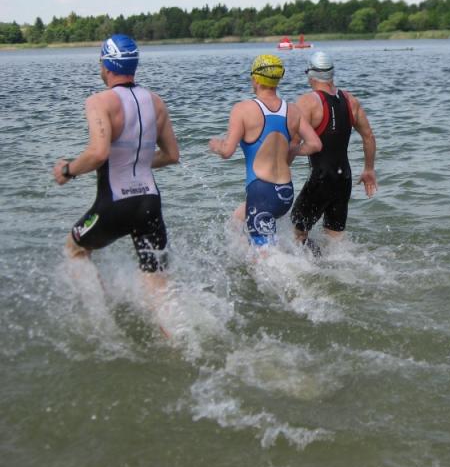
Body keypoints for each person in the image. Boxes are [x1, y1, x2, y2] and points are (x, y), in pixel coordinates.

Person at [52, 34, 180, 313]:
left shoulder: (99, 101)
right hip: (149, 203)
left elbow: (98, 153)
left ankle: (104, 318)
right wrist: (137, 160)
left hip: (115, 203)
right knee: (157, 284)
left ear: (107, 65)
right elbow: (172, 155)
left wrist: (67, 170)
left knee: (75, 249)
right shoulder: (156, 102)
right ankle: (179, 333)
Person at [208, 54, 321, 247]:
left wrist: (216, 146)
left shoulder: (242, 109)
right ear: (278, 78)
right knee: (235, 222)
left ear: (255, 79)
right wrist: (292, 150)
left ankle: (276, 263)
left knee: (264, 257)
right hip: (285, 194)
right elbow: (315, 144)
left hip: (262, 193)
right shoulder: (293, 110)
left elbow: (227, 152)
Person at [291, 51, 377, 249]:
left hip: (320, 178)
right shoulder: (350, 100)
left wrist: (279, 173)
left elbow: (293, 143)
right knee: (335, 240)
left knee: (297, 233)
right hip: (343, 178)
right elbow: (369, 137)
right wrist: (369, 169)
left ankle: (311, 264)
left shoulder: (307, 102)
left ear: (311, 74)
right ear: (332, 74)